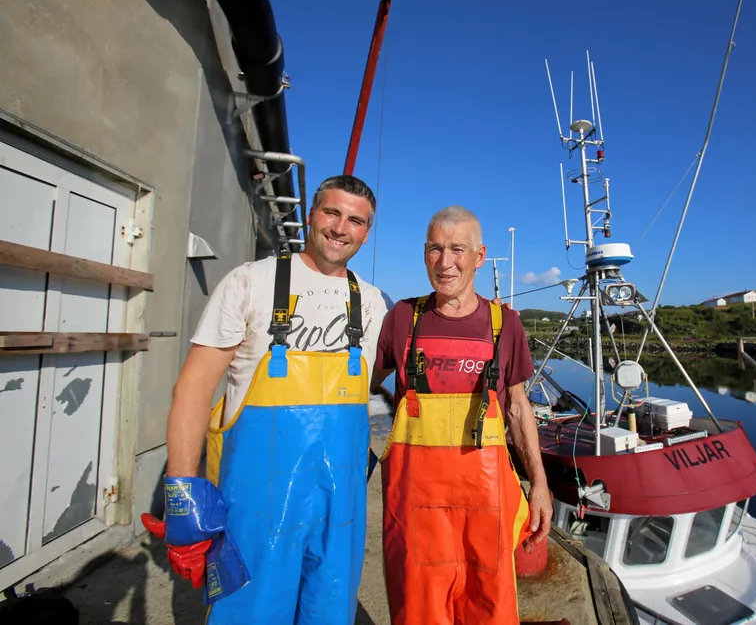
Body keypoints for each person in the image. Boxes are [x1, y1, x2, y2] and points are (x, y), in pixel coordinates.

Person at [141, 175, 388, 624]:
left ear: (366, 233)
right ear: (312, 215)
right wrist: (183, 495)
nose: (340, 227)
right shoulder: (250, 281)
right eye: (332, 213)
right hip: (256, 509)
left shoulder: (371, 303)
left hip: (340, 514)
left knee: (329, 614)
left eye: (355, 220)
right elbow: (193, 388)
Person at [371, 206, 553, 625]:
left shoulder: (504, 323)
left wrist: (539, 484)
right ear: (424, 252)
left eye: (457, 249)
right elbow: (360, 385)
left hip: (484, 506)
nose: (445, 262)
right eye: (436, 248)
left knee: (489, 606)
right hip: (414, 509)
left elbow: (518, 406)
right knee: (418, 609)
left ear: (480, 255)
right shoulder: (402, 318)